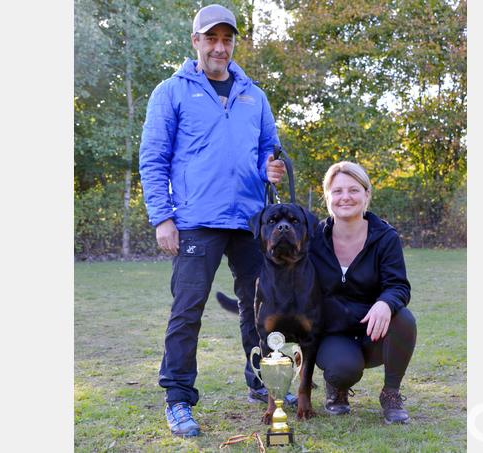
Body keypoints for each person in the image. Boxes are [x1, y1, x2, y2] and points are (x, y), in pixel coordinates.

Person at [138, 4, 291, 438]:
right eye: (211, 38)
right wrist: (162, 218)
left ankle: (262, 380)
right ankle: (178, 398)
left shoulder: (254, 96)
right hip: (195, 220)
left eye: (227, 39)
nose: (220, 47)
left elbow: (269, 149)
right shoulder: (170, 92)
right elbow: (153, 160)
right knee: (187, 311)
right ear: (196, 42)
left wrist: (272, 168)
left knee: (260, 309)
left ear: (234, 43)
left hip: (249, 222)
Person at [310, 161, 417, 425]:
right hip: (333, 334)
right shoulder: (313, 239)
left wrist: (385, 303)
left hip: (373, 331)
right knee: (343, 369)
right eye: (337, 191)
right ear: (328, 197)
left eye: (354, 190)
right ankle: (337, 387)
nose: (345, 197)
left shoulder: (385, 237)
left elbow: (399, 285)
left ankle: (391, 394)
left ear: (366, 194)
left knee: (404, 319)